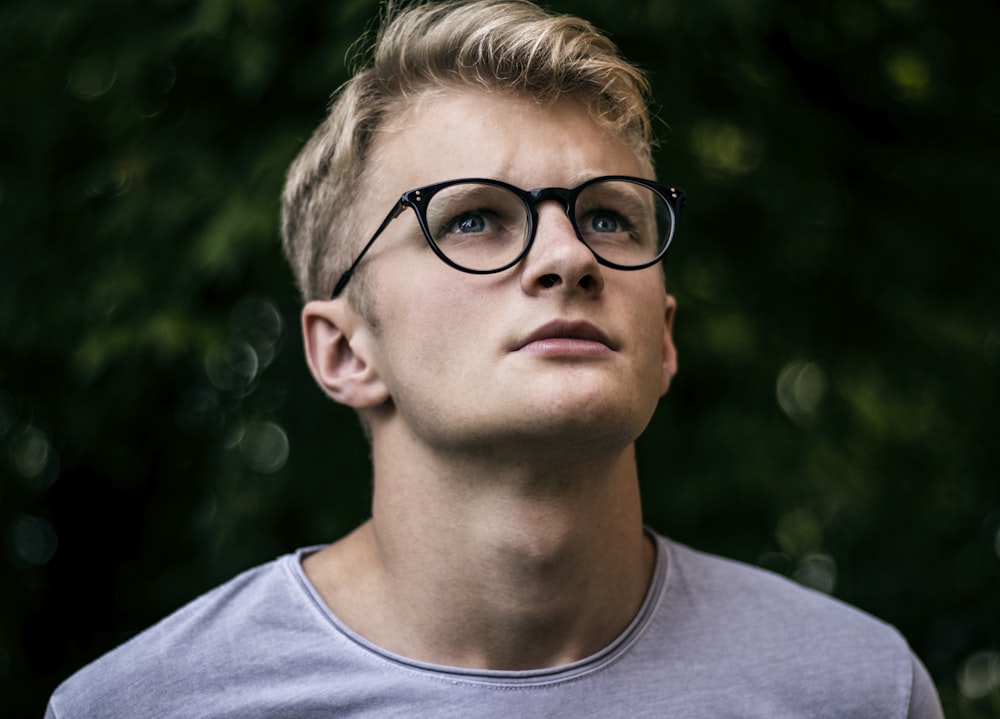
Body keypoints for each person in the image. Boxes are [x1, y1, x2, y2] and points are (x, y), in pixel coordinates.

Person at [46, 1, 944, 716]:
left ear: (664, 337)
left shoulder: (858, 689)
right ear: (346, 351)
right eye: (474, 218)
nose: (570, 256)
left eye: (609, 216)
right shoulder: (145, 705)